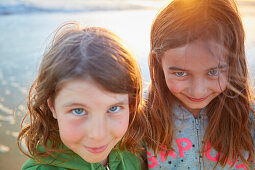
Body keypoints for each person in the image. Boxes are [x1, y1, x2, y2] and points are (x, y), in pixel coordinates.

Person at [17, 22, 148, 170]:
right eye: (78, 110)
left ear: (131, 105)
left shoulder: (135, 150)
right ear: (52, 106)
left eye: (114, 108)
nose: (97, 135)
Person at [145, 0, 255, 169]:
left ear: (233, 63)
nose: (198, 91)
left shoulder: (249, 119)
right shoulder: (139, 116)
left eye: (213, 72)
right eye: (180, 73)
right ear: (157, 62)